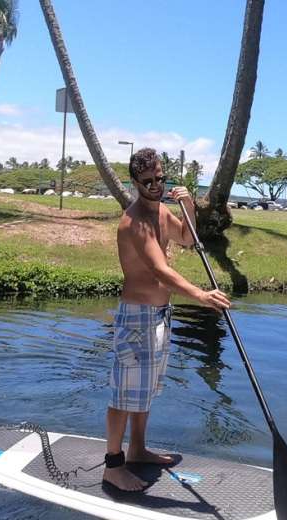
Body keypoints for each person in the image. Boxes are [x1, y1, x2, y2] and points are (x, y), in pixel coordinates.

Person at [104, 148, 232, 492]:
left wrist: (188, 207)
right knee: (124, 394)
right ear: (135, 182)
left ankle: (138, 449)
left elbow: (188, 239)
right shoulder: (133, 221)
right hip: (136, 317)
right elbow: (159, 269)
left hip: (160, 315)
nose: (155, 185)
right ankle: (113, 466)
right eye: (147, 181)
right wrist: (201, 296)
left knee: (145, 391)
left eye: (160, 178)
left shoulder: (161, 212)